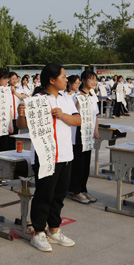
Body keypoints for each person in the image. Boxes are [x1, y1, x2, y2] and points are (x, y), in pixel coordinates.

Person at [17, 63, 80, 252]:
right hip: (45, 156)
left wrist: (62, 116)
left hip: (65, 154)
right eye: (63, 76)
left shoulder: (66, 98)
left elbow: (78, 120)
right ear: (52, 80)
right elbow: (23, 124)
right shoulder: (36, 99)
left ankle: (54, 229)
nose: (66, 80)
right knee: (44, 194)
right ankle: (38, 232)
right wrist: (21, 114)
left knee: (59, 195)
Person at [69, 71, 100, 204]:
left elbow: (96, 115)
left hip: (89, 134)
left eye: (95, 80)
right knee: (78, 163)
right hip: (78, 134)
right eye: (91, 79)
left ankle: (83, 188)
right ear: (83, 80)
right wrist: (78, 101)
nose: (94, 82)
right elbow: (73, 113)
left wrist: (96, 130)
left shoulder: (93, 95)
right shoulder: (77, 96)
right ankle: (76, 191)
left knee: (86, 163)